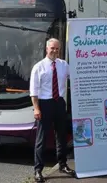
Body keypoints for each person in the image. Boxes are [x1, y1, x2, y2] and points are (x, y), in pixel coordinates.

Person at [29, 38, 75, 183]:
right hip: (45, 103)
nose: (55, 51)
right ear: (46, 49)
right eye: (52, 48)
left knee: (61, 136)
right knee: (41, 138)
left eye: (57, 49)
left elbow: (76, 76)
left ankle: (62, 165)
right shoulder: (39, 67)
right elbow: (34, 91)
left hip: (60, 103)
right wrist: (36, 108)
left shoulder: (64, 65)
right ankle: (38, 170)